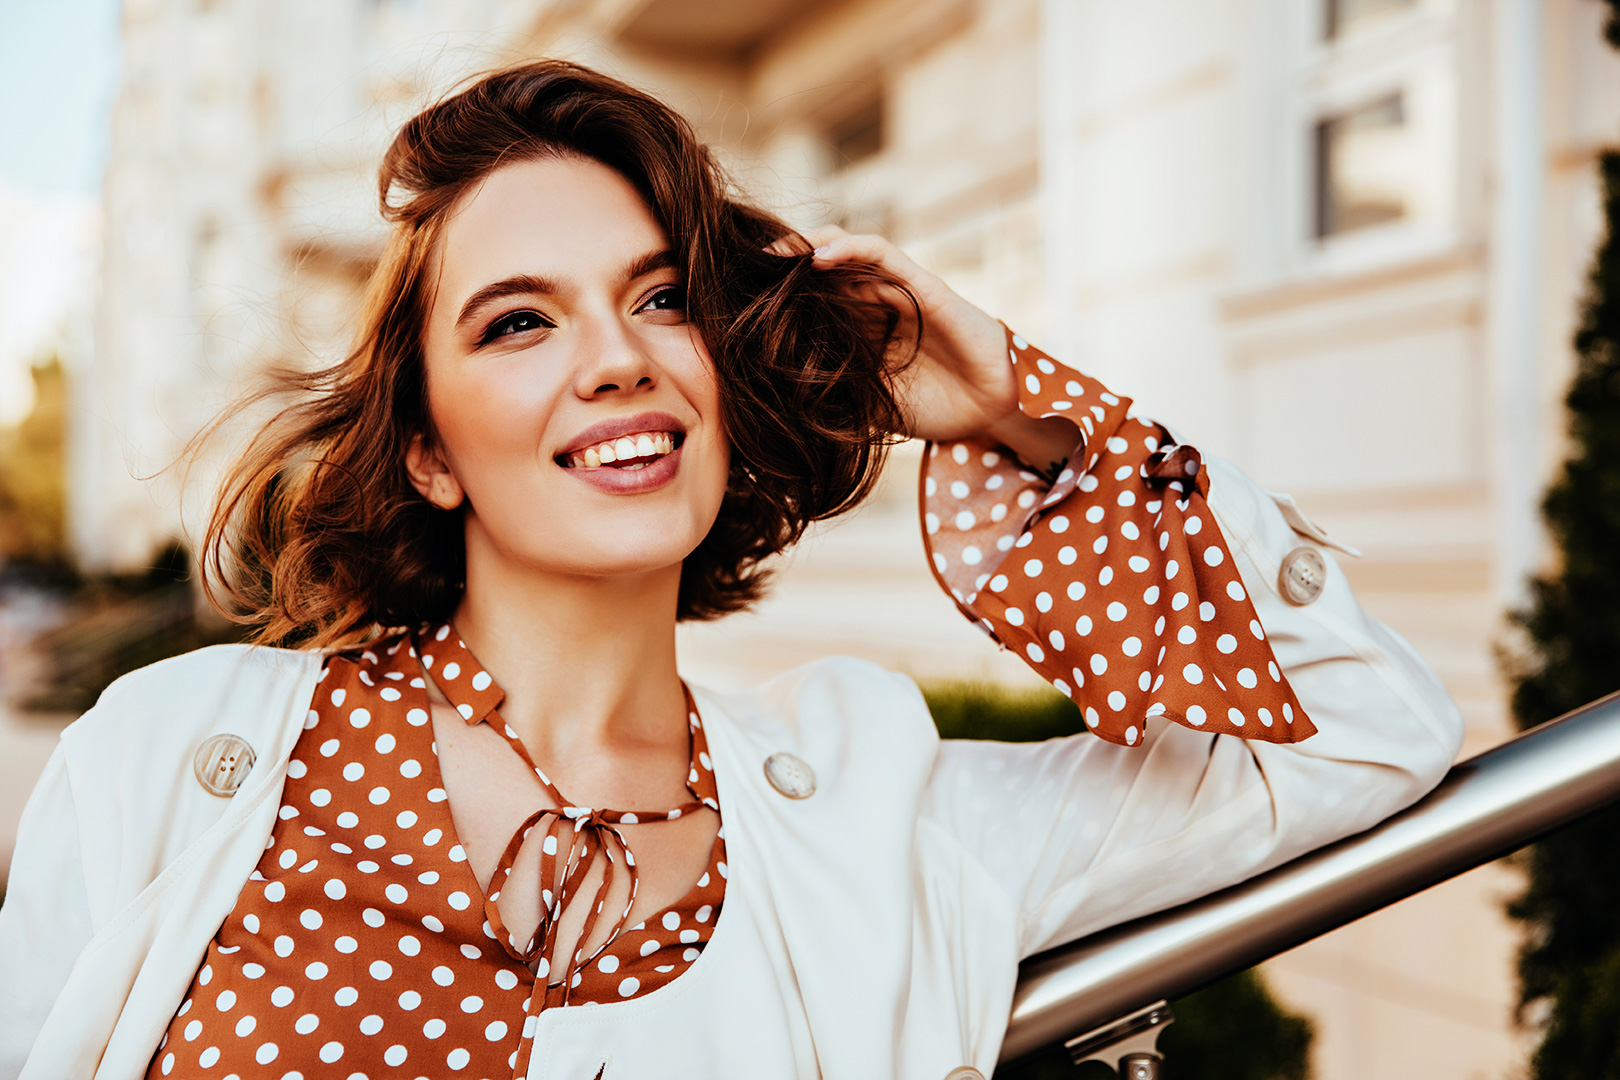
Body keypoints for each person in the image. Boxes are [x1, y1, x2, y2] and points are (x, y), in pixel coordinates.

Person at [0, 60, 1462, 1080]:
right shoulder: (172, 756)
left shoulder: (884, 819)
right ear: (431, 451)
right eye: (521, 323)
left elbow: (1363, 731)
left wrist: (1026, 405)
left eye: (661, 300)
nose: (619, 360)